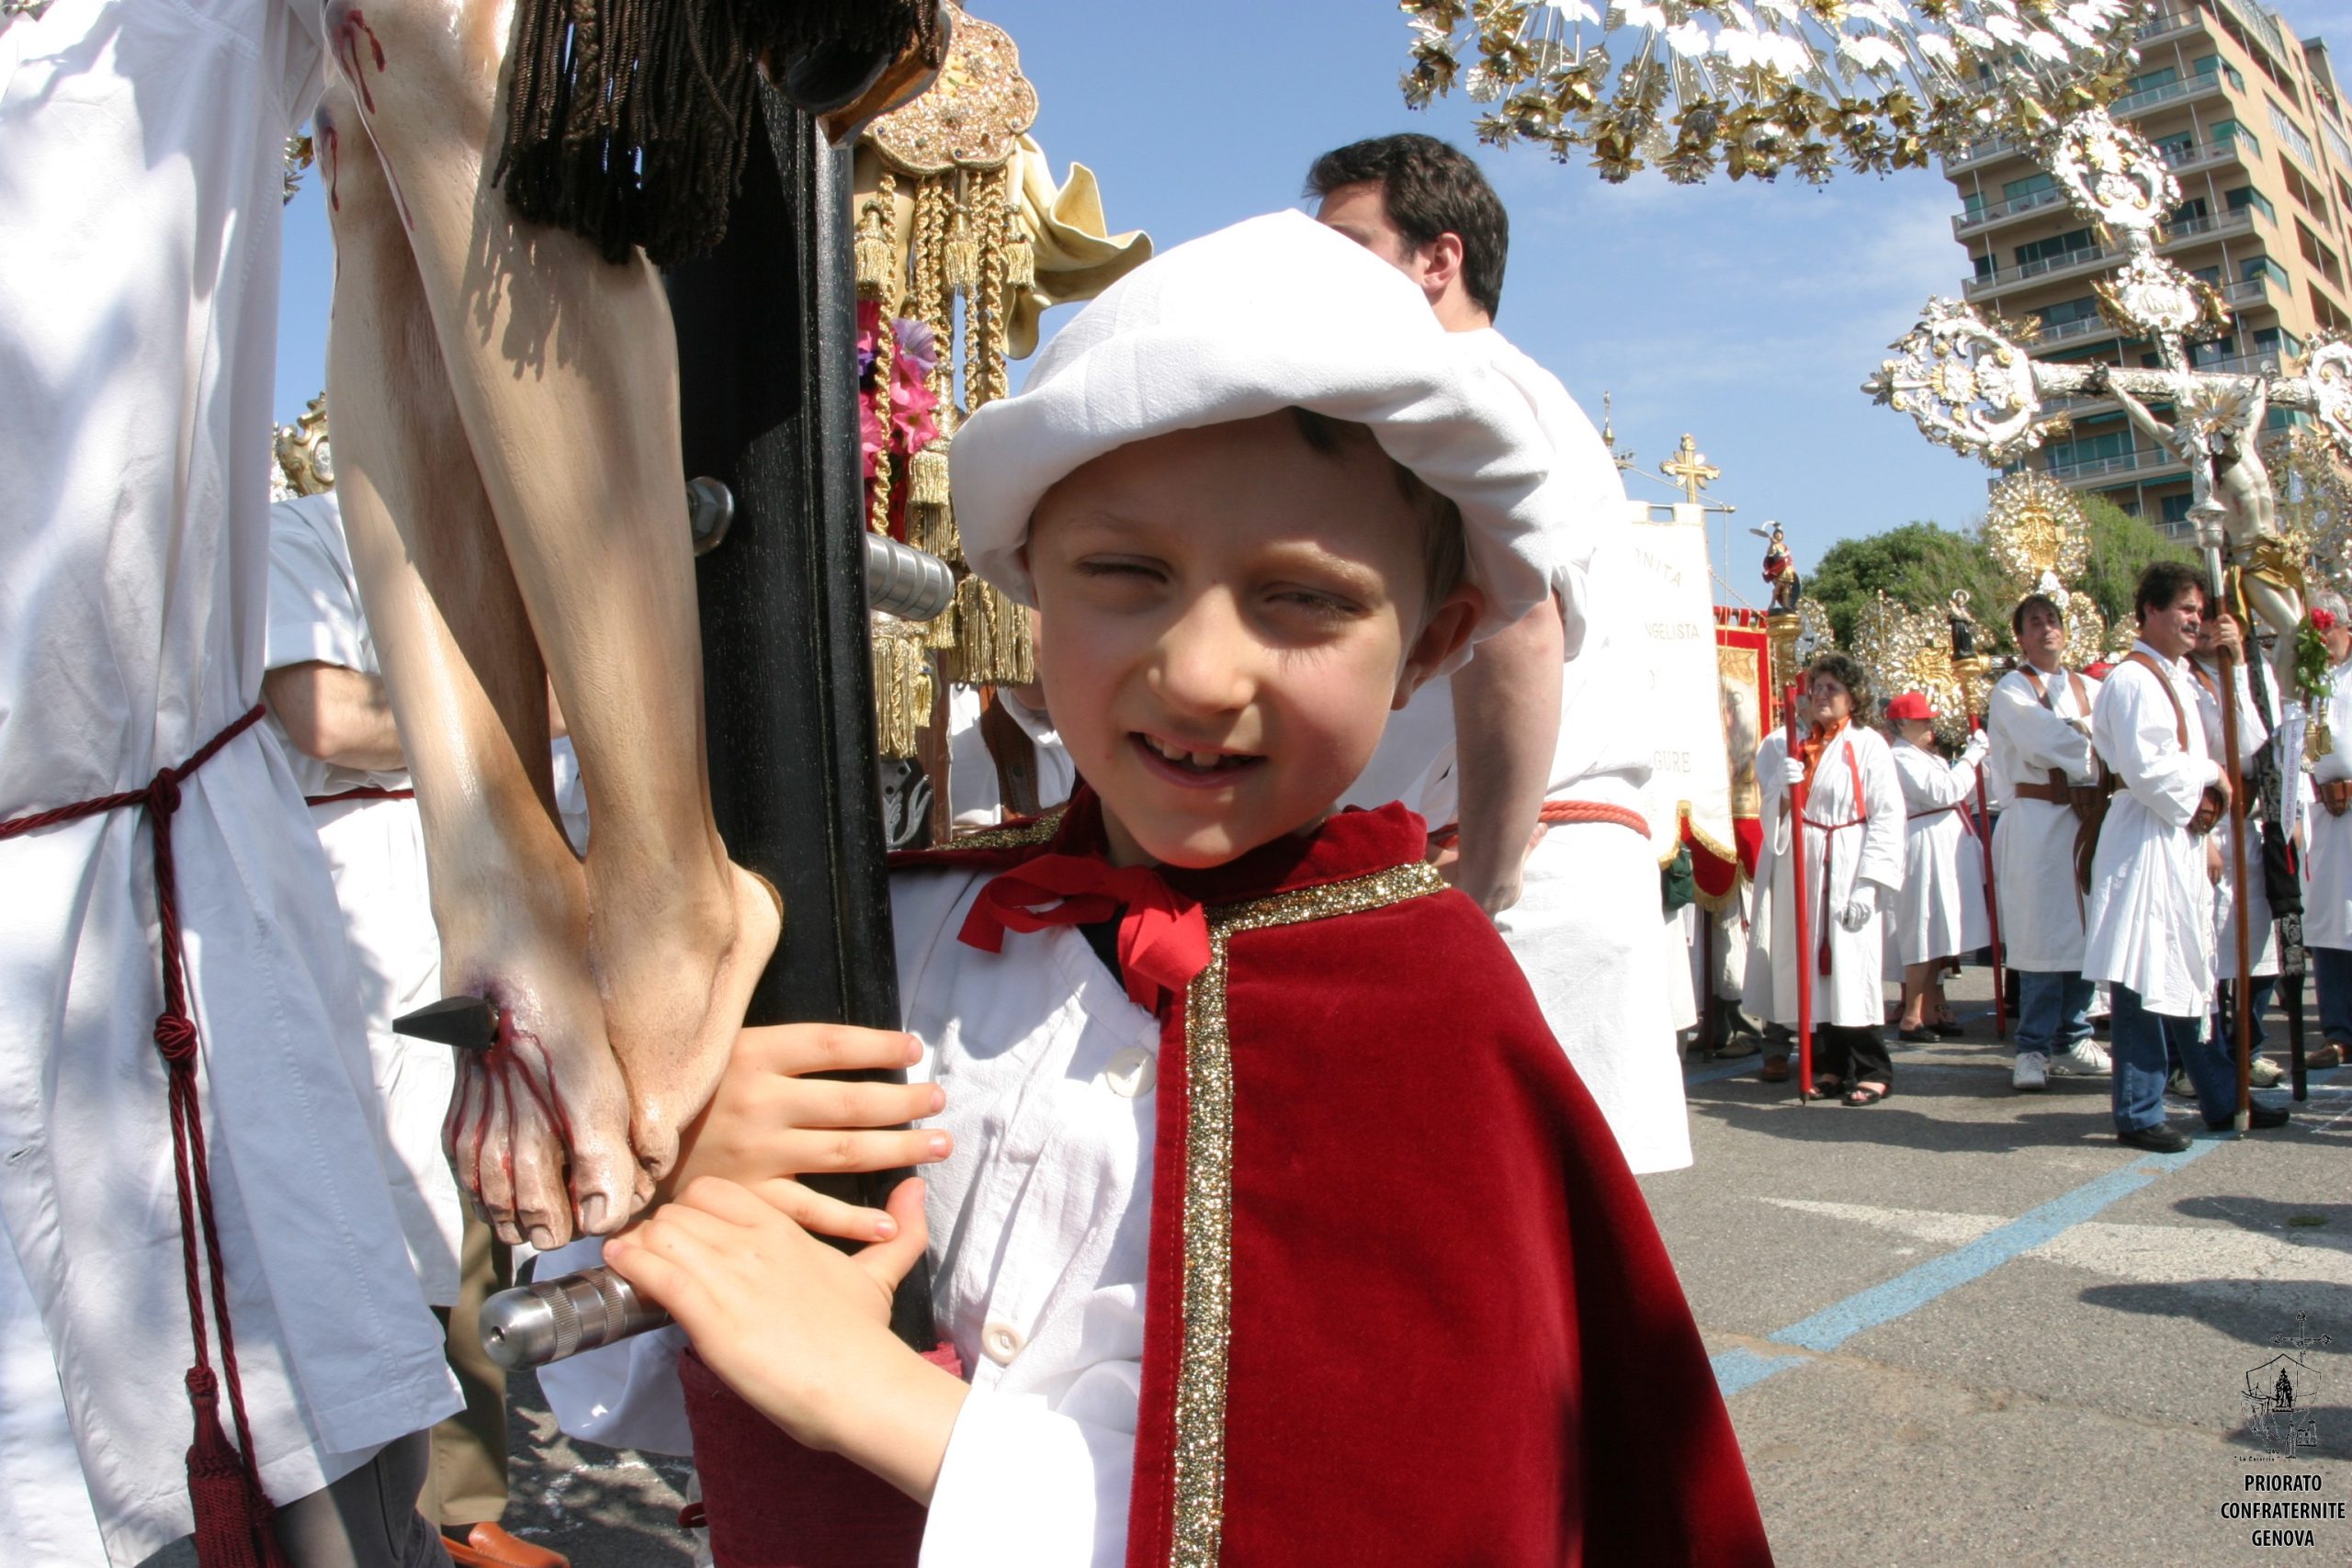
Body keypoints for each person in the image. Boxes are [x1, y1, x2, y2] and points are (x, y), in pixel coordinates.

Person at [553, 212, 1770, 1566]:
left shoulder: (1432, 1016)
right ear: (1031, 582)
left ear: (1431, 644)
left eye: (1302, 599)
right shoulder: (895, 928)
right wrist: (681, 1176)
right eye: (1126, 574)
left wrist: (880, 1400)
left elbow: (1390, 1508)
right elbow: (630, 1376)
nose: (1197, 673)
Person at [0, 6, 459, 1565]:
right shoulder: (288, 531)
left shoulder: (173, 38)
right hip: (165, 898)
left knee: (325, 1444)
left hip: (196, 932)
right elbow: (308, 703)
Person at [1308, 132, 1690, 1175]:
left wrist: (1482, 875)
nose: (1319, 272)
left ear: (1440, 259)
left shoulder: (1463, 394)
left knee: (1479, 1216)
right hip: (1531, 854)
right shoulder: (1501, 391)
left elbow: (1520, 626)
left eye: (1350, 246)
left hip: (1512, 863)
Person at [265, 491, 568, 1568]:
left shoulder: (489, 547)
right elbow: (323, 715)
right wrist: (524, 706)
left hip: (477, 908)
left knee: (476, 1211)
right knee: (375, 1226)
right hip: (352, 920)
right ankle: (403, 1517)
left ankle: (466, 1507)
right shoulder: (300, 534)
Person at [2082, 564, 2290, 1152]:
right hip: (2145, 838)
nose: (2196, 620)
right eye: (2185, 609)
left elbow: (2246, 740)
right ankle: (2138, 1110)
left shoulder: (2183, 677)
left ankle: (2222, 1096)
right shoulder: (2133, 678)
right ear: (2150, 610)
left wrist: (2235, 665)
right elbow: (2149, 769)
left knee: (2186, 974)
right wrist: (2210, 774)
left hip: (2179, 839)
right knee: (2144, 975)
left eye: (2200, 610)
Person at [1743, 652, 1905, 1104]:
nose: (1821, 695)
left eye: (1832, 688)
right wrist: (1781, 788)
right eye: (1816, 688)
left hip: (1848, 860)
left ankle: (1873, 1068)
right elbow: (1776, 816)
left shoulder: (1868, 744)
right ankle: (1831, 1065)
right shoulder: (1797, 745)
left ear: (1853, 696)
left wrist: (1870, 883)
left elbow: (1887, 816)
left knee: (1851, 965)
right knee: (1815, 970)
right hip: (1805, 864)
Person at [1985, 594, 2114, 1091]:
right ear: (2020, 637)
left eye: (2052, 620)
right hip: (2039, 821)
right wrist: (2091, 741)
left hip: (2088, 819)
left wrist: (2087, 737)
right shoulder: (2012, 690)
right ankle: (2033, 1046)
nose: (2046, 629)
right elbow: (2047, 742)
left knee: (2086, 929)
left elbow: (2115, 736)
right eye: (2035, 622)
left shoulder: (2092, 688)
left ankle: (2073, 1036)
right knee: (2042, 937)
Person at [2182, 601, 2286, 1091]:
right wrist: (2202, 835)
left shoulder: (2252, 673)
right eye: (2200, 619)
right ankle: (2198, 1060)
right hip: (2205, 820)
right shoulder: (2181, 677)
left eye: (2217, 620)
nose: (2207, 629)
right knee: (2203, 949)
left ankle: (2248, 1049)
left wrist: (2240, 667)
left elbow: (2258, 739)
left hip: (2248, 821)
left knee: (2255, 945)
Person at [1883, 693, 1990, 1041]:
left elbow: (1960, 793)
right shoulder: (1900, 757)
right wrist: (1971, 757)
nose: (1930, 725)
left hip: (1941, 844)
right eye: (1923, 720)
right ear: (1902, 725)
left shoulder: (1926, 757)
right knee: (1922, 928)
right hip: (1923, 845)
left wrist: (1976, 764)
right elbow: (1942, 792)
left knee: (1938, 932)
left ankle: (1929, 1008)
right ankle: (1911, 1015)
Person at [2304, 587, 2352, 1066]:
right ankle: (2338, 1031)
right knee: (2328, 921)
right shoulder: (2308, 678)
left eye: (2324, 631)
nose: (2320, 643)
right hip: (2322, 813)